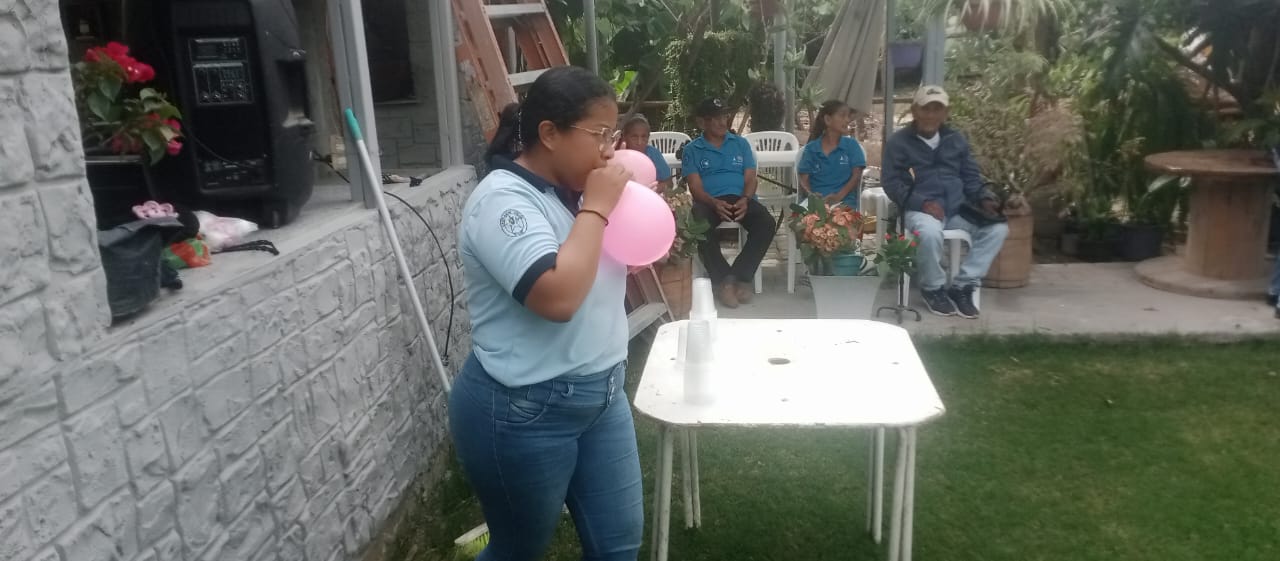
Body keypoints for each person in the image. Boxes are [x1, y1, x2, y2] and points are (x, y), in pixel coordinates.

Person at [450, 66, 643, 561]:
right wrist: (597, 209)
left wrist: (624, 228)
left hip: (604, 395)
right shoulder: (502, 201)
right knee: (518, 550)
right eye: (599, 135)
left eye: (613, 136)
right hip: (524, 409)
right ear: (550, 133)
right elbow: (557, 298)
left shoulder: (576, 192)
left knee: (619, 546)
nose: (609, 151)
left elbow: (597, 264)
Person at [882, 85, 1009, 319]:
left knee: (997, 229)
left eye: (937, 109)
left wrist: (985, 199)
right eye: (925, 109)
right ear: (914, 111)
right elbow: (892, 183)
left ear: (945, 113)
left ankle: (963, 285)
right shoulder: (899, 142)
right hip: (919, 209)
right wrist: (923, 203)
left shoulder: (955, 139)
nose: (931, 115)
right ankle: (933, 288)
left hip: (957, 209)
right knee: (929, 233)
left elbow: (971, 177)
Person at [684, 97, 777, 308]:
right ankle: (723, 279)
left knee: (766, 223)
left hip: (741, 199)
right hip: (709, 202)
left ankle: (739, 276)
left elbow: (751, 178)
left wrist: (745, 199)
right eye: (715, 118)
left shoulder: (740, 144)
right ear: (702, 122)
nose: (722, 122)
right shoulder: (693, 149)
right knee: (698, 224)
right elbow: (695, 187)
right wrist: (714, 203)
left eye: (724, 116)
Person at [799, 100, 867, 209]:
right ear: (828, 120)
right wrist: (812, 196)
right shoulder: (811, 149)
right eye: (842, 116)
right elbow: (803, 179)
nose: (847, 120)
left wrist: (838, 197)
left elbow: (857, 175)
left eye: (848, 116)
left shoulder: (852, 146)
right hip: (816, 205)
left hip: (845, 204)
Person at [617, 113, 674, 192]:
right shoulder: (618, 157)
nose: (639, 142)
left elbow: (669, 183)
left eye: (644, 137)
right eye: (634, 137)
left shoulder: (653, 154)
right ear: (624, 137)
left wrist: (652, 190)